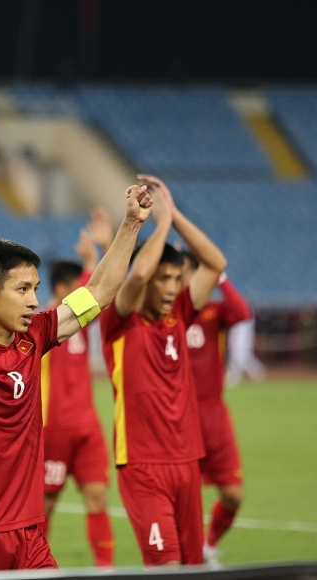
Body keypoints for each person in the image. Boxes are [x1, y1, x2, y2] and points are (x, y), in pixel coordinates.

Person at [0, 182, 151, 572]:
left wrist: (130, 225)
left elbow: (100, 291)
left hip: (28, 536)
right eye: (22, 289)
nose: (35, 301)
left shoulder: (37, 335)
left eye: (36, 289)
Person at [101, 174, 227, 567]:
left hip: (188, 461)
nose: (173, 288)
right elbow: (136, 275)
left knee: (192, 568)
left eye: (176, 279)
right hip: (141, 466)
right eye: (165, 279)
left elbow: (215, 263)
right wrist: (162, 224)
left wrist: (175, 216)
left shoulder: (181, 316)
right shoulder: (120, 322)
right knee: (166, 569)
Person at [41, 208, 115, 567]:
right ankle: (31, 570)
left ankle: (106, 572)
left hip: (87, 428)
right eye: (74, 289)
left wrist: (98, 254)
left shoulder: (78, 324)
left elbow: (97, 293)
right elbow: (89, 293)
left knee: (98, 499)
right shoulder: (41, 326)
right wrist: (91, 260)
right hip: (52, 431)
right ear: (60, 290)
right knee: (45, 504)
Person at [180, 252, 251, 566]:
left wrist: (219, 275)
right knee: (187, 500)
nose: (179, 280)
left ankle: (208, 545)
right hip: (181, 420)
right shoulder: (168, 315)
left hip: (215, 417)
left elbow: (241, 312)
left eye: (184, 273)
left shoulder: (213, 312)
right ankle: (188, 557)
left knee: (233, 495)